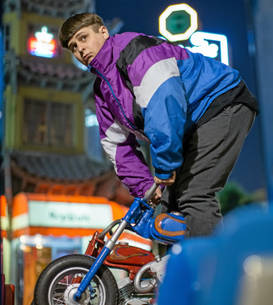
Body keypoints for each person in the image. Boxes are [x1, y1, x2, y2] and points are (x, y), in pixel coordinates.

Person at [59, 13, 258, 238]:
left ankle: (214, 270)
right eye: (74, 47)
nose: (80, 50)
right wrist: (145, 187)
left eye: (83, 38)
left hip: (221, 102)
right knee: (166, 210)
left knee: (194, 195)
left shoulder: (135, 49)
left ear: (103, 31)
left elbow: (163, 105)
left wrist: (164, 165)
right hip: (190, 126)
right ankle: (171, 269)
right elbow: (118, 149)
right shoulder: (102, 91)